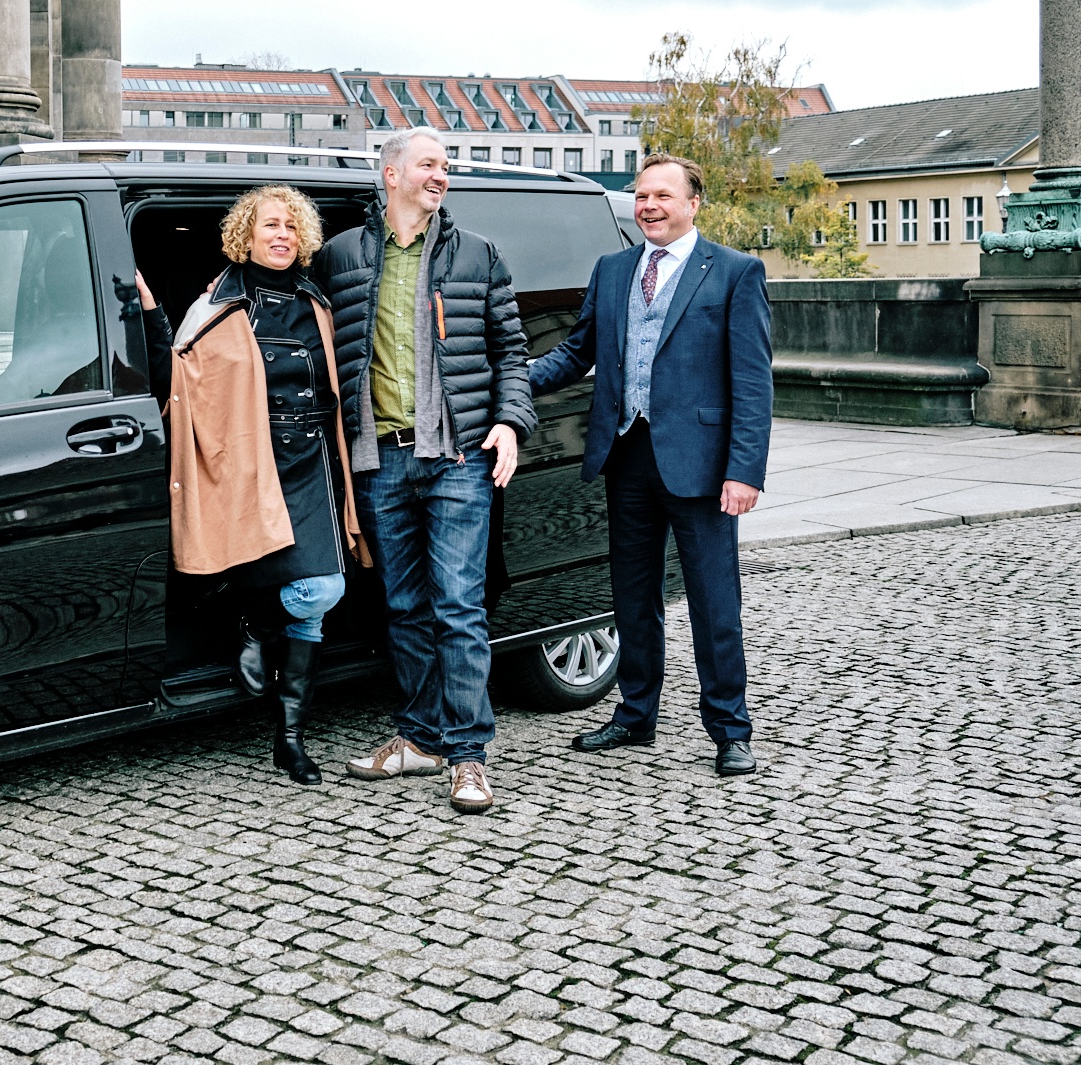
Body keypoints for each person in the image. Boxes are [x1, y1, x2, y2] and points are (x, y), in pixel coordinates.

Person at [314, 130, 534, 815]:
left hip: (458, 456)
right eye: (430, 164)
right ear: (392, 175)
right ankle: (420, 737)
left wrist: (509, 421)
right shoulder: (342, 256)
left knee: (458, 607)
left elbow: (512, 352)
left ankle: (469, 756)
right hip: (380, 459)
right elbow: (294, 310)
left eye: (446, 166)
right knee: (402, 606)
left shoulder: (477, 254)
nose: (442, 175)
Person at [529, 153, 771, 777]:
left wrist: (744, 471)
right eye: (640, 196)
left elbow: (752, 381)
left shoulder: (735, 273)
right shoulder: (612, 270)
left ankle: (729, 727)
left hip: (702, 464)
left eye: (663, 195)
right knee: (631, 599)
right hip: (625, 455)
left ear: (694, 203)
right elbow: (578, 350)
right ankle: (635, 715)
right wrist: (513, 383)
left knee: (715, 603)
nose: (649, 206)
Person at [138, 185, 373, 785]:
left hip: (315, 459)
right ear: (247, 235)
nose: (282, 236)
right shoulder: (218, 303)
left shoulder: (317, 302)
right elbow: (182, 383)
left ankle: (272, 678)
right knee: (285, 582)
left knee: (321, 588)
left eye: (292, 228)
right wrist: (151, 317)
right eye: (271, 225)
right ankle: (278, 704)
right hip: (251, 461)